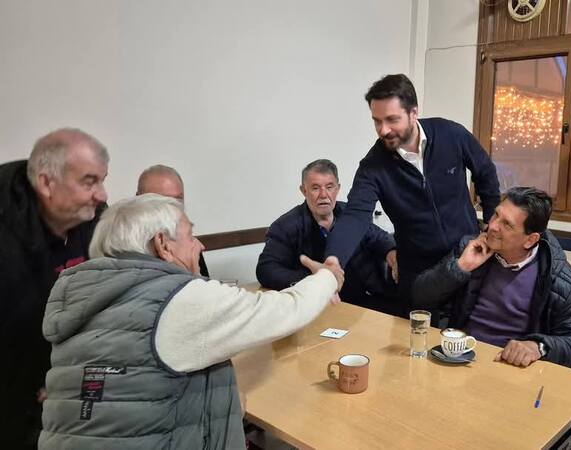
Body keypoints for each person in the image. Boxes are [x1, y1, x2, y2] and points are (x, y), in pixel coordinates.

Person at [38, 194, 344, 449]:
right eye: (190, 235)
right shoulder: (176, 298)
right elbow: (287, 310)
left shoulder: (80, 296)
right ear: (162, 244)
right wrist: (328, 276)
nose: (200, 245)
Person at [325, 74, 500, 313]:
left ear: (413, 113)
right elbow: (356, 215)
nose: (383, 130)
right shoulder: (373, 166)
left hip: (467, 256)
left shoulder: (451, 134)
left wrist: (491, 222)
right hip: (417, 271)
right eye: (377, 121)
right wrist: (333, 259)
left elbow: (485, 172)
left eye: (392, 119)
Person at [0, 128, 109, 450]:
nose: (102, 194)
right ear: (46, 183)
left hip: (61, 386)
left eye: (103, 180)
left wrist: (65, 375)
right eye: (89, 182)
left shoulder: (96, 221)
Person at [413, 187, 571, 370]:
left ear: (530, 240)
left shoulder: (560, 278)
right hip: (461, 358)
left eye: (507, 224)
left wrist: (539, 346)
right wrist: (461, 267)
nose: (492, 226)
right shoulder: (470, 247)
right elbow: (420, 297)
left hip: (511, 367)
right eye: (496, 215)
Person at [257, 159, 400, 315]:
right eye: (315, 188)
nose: (324, 195)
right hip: (320, 305)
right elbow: (266, 270)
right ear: (304, 191)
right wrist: (315, 278)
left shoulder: (350, 215)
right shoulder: (286, 225)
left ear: (337, 189)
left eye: (329, 187)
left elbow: (379, 237)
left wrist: (391, 252)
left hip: (366, 300)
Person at [137, 164, 210, 277]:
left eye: (177, 201)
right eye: (162, 201)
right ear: (138, 199)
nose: (172, 209)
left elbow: (203, 283)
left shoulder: (188, 245)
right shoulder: (127, 248)